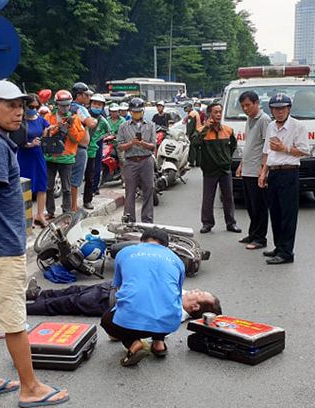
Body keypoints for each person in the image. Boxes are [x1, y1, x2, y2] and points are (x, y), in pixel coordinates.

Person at [0, 80, 69, 406]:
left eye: (21, 106)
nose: (19, 112)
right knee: (15, 321)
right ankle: (30, 387)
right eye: (10, 105)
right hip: (0, 246)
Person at [100, 228, 185, 367]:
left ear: (141, 241)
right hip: (169, 322)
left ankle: (134, 343)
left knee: (107, 320)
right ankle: (159, 343)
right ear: (166, 245)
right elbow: (176, 293)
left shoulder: (125, 252)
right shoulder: (177, 260)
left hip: (130, 324)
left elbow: (117, 286)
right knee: (163, 301)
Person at [258, 93, 310, 264]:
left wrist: (285, 149)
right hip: (274, 172)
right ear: (271, 110)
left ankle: (287, 252)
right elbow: (267, 152)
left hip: (289, 172)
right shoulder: (271, 126)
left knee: (288, 213)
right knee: (275, 212)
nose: (279, 112)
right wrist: (263, 173)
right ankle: (279, 246)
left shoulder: (298, 127)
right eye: (275, 109)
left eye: (283, 108)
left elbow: (304, 151)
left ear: (289, 109)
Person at [26, 278, 221, 320]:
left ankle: (24, 309)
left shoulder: (175, 313)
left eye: (200, 294)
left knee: (63, 304)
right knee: (71, 290)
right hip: (113, 286)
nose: (196, 290)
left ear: (195, 306)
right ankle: (35, 295)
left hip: (108, 299)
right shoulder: (182, 294)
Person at [193, 103, 241, 234]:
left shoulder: (228, 130)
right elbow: (195, 143)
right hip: (209, 170)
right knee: (208, 198)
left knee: (228, 197)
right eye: (215, 112)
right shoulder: (202, 131)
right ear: (209, 114)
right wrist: (205, 129)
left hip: (225, 169)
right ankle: (207, 223)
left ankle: (231, 223)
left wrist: (228, 158)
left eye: (220, 112)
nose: (218, 115)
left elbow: (233, 145)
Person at [235, 91, 271, 249]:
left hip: (257, 170)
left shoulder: (264, 120)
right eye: (243, 106)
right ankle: (253, 233)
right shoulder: (249, 119)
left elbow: (267, 148)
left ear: (257, 103)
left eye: (248, 105)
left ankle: (260, 238)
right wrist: (241, 164)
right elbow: (249, 144)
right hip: (247, 169)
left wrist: (263, 171)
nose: (245, 108)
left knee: (260, 206)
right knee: (250, 205)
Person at [43, 90, 84, 218]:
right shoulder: (49, 117)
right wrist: (56, 127)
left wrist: (70, 126)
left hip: (67, 158)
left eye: (67, 105)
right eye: (62, 105)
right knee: (49, 187)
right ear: (57, 104)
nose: (64, 108)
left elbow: (76, 139)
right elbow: (45, 135)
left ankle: (66, 213)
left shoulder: (76, 119)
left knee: (66, 188)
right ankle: (50, 212)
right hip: (50, 157)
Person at [116, 97, 156, 223]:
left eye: (139, 111)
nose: (137, 113)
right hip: (131, 161)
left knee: (148, 190)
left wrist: (142, 143)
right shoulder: (123, 126)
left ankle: (147, 220)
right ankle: (129, 220)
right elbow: (120, 146)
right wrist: (131, 143)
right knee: (130, 191)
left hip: (146, 160)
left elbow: (153, 146)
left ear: (142, 111)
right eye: (134, 111)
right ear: (130, 112)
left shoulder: (150, 125)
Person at [17, 94, 49, 227]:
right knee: (25, 187)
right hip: (24, 156)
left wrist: (46, 136)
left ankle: (40, 214)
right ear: (25, 106)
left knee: (42, 186)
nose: (34, 109)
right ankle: (25, 217)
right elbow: (16, 141)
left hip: (38, 156)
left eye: (37, 107)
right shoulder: (20, 121)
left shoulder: (41, 120)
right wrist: (30, 144)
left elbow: (47, 131)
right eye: (31, 107)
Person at [69, 82, 95, 212]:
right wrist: (94, 120)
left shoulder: (68, 107)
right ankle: (73, 207)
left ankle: (68, 205)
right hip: (79, 148)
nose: (89, 98)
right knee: (75, 179)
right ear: (79, 95)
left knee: (67, 178)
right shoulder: (80, 109)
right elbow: (90, 123)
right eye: (86, 95)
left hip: (68, 148)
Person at [84, 93, 110, 210]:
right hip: (81, 147)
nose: (96, 106)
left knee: (91, 174)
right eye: (94, 104)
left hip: (94, 149)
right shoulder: (84, 116)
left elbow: (108, 132)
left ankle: (88, 199)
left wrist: (97, 138)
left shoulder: (103, 121)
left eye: (99, 104)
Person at [185, 103, 202, 167]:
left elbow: (190, 126)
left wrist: (188, 134)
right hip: (198, 132)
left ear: (190, 107)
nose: (185, 109)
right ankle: (198, 162)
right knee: (198, 148)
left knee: (192, 147)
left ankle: (191, 162)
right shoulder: (195, 112)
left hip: (194, 133)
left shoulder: (191, 114)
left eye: (186, 108)